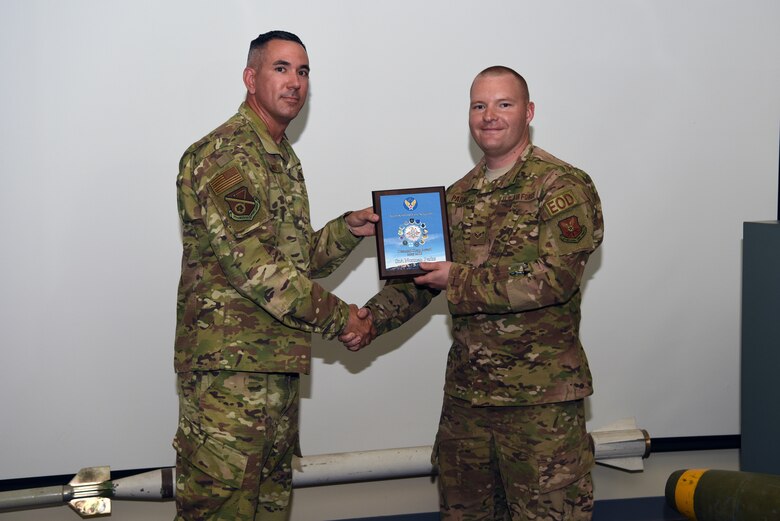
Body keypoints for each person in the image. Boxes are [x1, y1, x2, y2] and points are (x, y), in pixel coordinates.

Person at [342, 66, 604, 520]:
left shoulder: (561, 186)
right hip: (468, 404)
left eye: (504, 104)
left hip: (539, 405)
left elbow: (554, 278)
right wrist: (367, 321)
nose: (489, 116)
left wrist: (458, 279)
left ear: (529, 112)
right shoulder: (458, 197)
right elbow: (419, 280)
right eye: (479, 105)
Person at [173, 30, 376, 521]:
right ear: (251, 78)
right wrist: (344, 319)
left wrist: (347, 230)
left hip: (274, 374)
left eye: (303, 72)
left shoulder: (281, 158)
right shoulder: (226, 155)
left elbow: (294, 262)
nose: (295, 82)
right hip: (231, 380)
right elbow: (258, 270)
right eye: (281, 68)